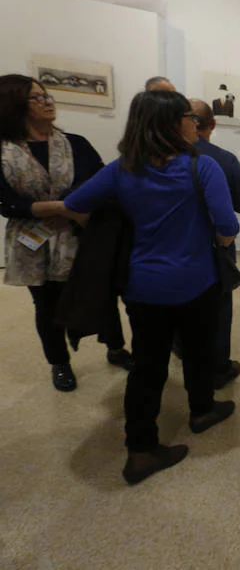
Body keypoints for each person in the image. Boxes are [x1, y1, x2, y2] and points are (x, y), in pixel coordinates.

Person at [35, 90, 239, 485]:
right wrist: (222, 243)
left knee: (148, 366)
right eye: (188, 117)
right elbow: (227, 227)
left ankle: (141, 450)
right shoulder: (204, 168)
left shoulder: (121, 169)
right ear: (171, 123)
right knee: (198, 350)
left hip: (144, 285)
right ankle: (202, 411)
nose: (194, 124)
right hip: (197, 281)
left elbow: (77, 203)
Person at [0, 74, 133, 392]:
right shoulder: (4, 152)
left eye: (46, 95)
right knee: (46, 307)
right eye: (37, 98)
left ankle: (115, 348)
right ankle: (59, 363)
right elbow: (8, 204)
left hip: (81, 234)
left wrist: (81, 209)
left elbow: (103, 182)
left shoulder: (76, 143)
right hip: (33, 243)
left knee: (103, 295)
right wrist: (64, 206)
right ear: (14, 105)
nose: (47, 101)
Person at [188, 98, 240, 388]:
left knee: (184, 305)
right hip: (215, 246)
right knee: (219, 307)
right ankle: (218, 368)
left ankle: (184, 351)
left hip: (174, 247)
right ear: (212, 124)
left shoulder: (158, 157)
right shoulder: (224, 160)